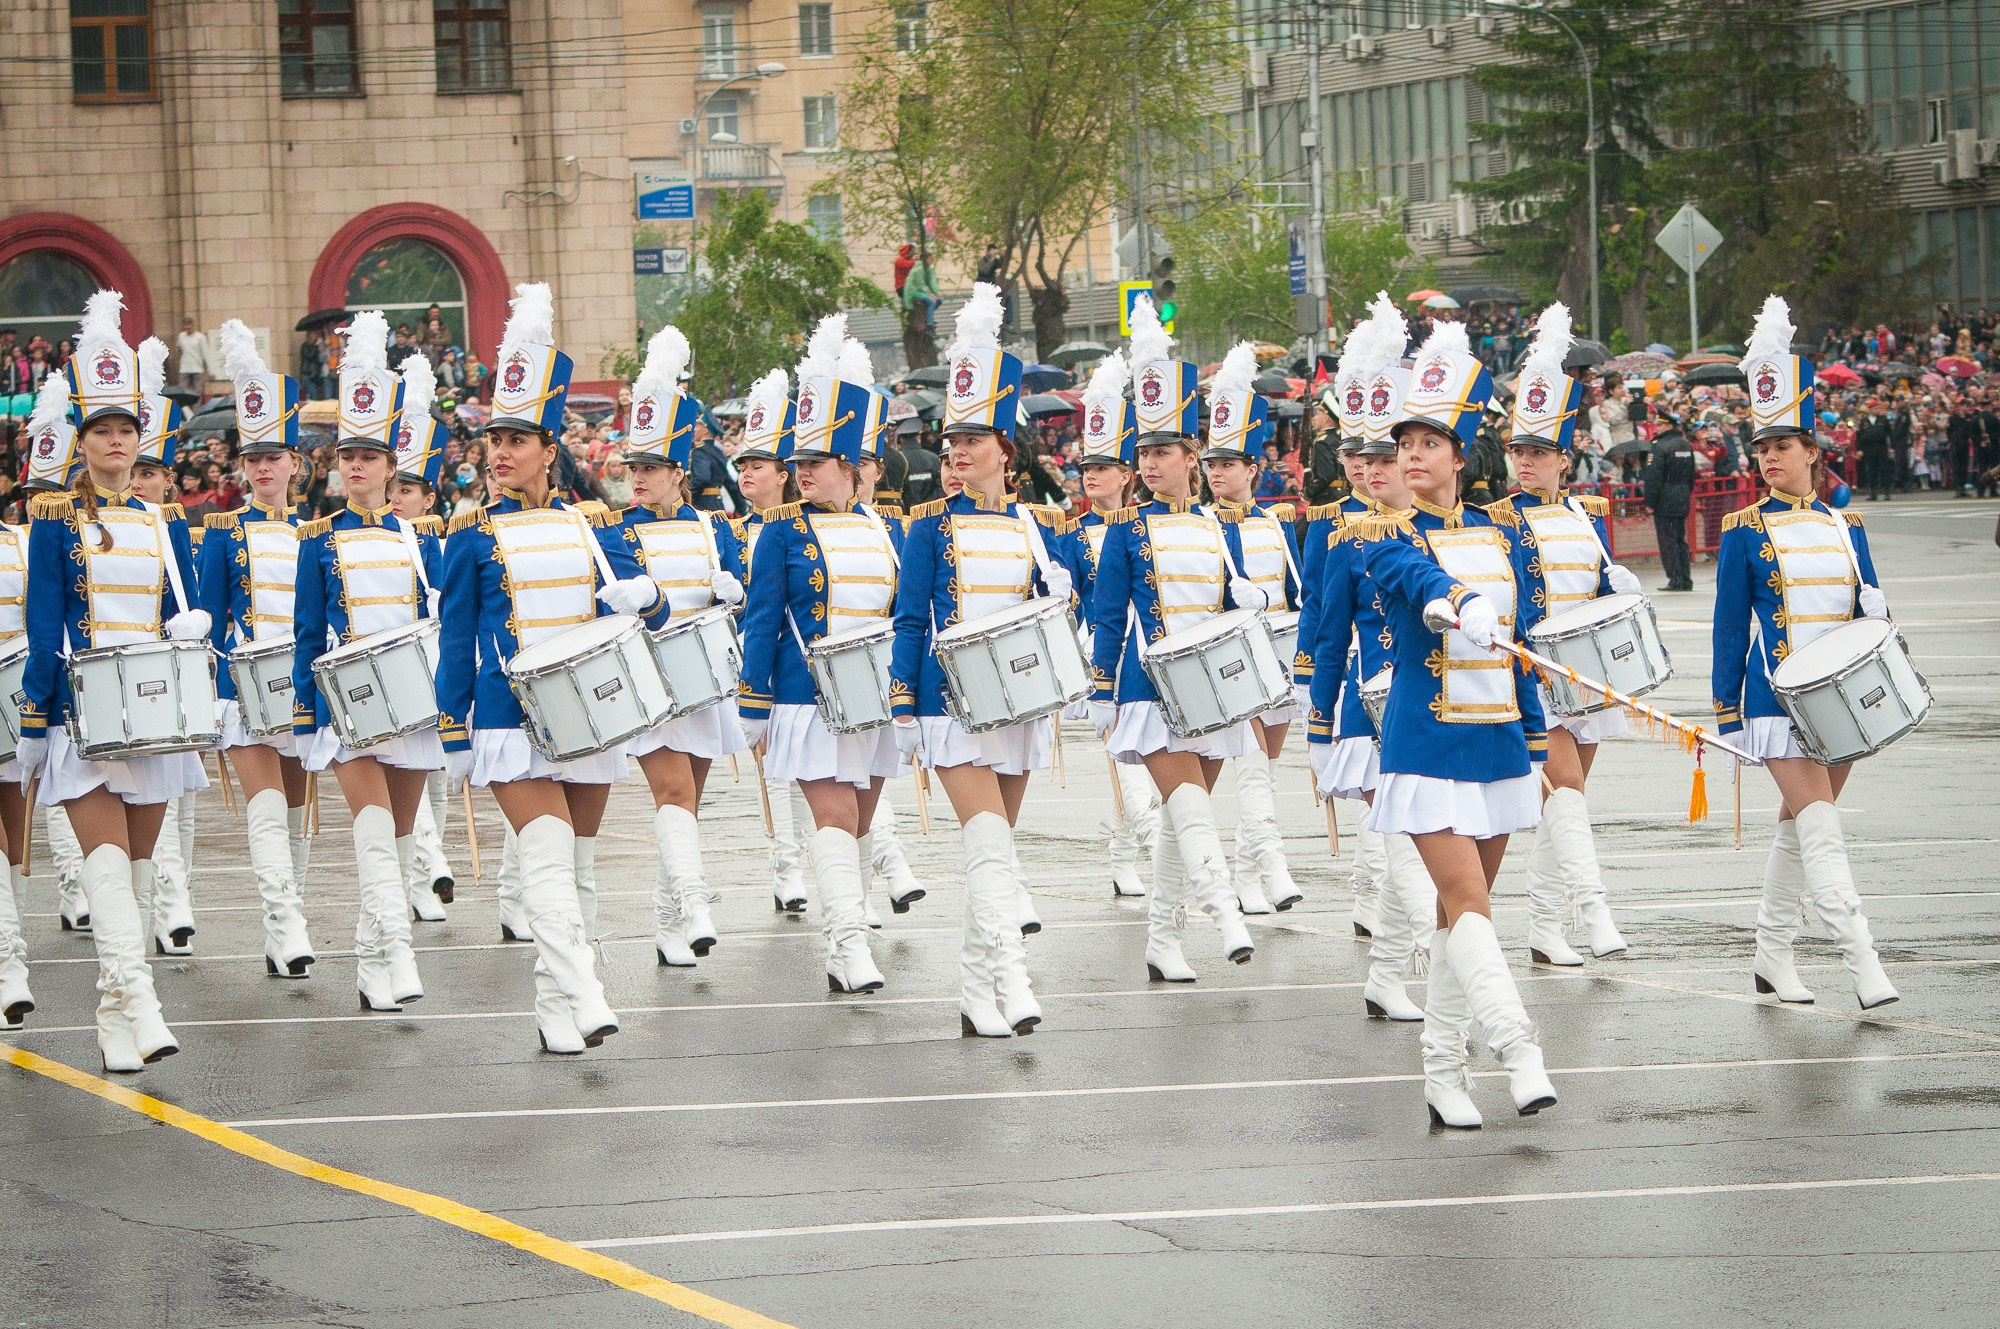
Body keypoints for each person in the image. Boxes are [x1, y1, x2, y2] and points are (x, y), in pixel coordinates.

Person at [436, 283, 669, 1051]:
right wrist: (452, 730)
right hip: (509, 717)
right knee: (542, 861)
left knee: (576, 869)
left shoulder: (596, 523)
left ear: (548, 447)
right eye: (491, 440)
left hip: (589, 716)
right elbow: (456, 637)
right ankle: (586, 990)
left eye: (516, 439)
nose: (499, 453)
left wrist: (647, 593)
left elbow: (653, 614)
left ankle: (552, 1007)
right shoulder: (469, 534)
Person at [1357, 317, 1557, 1129]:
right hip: (1428, 742)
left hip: (1499, 739)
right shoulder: (1386, 534)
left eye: (1428, 442)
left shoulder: (1512, 530)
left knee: (1453, 917)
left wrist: (1538, 738)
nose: (1409, 455)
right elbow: (1418, 580)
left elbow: (1528, 644)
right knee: (1467, 897)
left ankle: (1442, 1073)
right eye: (1403, 442)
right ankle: (1519, 1047)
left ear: (1460, 454)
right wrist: (1456, 602)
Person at [20, 291, 209, 1072]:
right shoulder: (56, 520)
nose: (115, 442)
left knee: (133, 874)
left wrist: (193, 629)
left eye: (127, 430)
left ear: (142, 440)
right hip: (86, 712)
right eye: (102, 430)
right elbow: (41, 623)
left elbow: (186, 604)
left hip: (155, 713)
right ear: (82, 440)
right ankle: (146, 1005)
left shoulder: (164, 523)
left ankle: (111, 1014)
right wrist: (38, 716)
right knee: (104, 867)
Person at [889, 284, 1067, 1035]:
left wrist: (1066, 589)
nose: (956, 449)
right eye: (950, 437)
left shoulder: (1038, 523)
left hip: (1019, 707)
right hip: (951, 707)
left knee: (990, 855)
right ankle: (1015, 984)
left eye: (972, 438)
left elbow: (1062, 610)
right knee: (991, 845)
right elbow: (909, 615)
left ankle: (973, 991)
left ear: (1006, 446)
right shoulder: (930, 524)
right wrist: (902, 703)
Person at [1714, 296, 1896, 1012]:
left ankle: (1770, 955)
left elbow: (1866, 606)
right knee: (1820, 828)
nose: (1768, 459)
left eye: (1781, 447)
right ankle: (1863, 961)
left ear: (1813, 452)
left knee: (1797, 829)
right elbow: (1731, 626)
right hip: (1776, 702)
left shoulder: (1848, 525)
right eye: (1761, 449)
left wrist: (1882, 616)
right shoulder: (1743, 529)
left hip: (1843, 704)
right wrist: (1727, 712)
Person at [1086, 296, 1262, 982]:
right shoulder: (1127, 530)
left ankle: (1162, 937)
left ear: (1193, 454)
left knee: (1179, 811)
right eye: (1142, 453)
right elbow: (1107, 615)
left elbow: (1225, 598)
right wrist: (1103, 689)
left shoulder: (1221, 525)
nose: (1150, 463)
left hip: (1212, 688)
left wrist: (1243, 592)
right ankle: (1226, 915)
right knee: (1188, 806)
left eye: (1163, 451)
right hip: (1150, 688)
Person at [737, 314, 901, 994]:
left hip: (877, 697)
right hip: (807, 696)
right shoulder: (779, 532)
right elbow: (761, 618)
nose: (801, 473)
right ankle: (851, 945)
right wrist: (753, 701)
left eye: (814, 462)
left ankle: (842, 947)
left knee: (861, 821)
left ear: (850, 466)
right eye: (797, 462)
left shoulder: (887, 528)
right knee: (833, 816)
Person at [288, 312, 445, 1012]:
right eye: (347, 456)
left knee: (404, 839)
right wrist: (303, 713)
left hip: (410, 705)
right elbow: (302, 634)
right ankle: (400, 954)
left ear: (390, 467)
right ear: (335, 466)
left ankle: (369, 958)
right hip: (347, 708)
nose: (356, 466)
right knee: (375, 830)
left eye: (370, 456)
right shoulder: (317, 541)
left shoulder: (421, 540)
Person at [1489, 304, 1647, 968]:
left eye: (1537, 452)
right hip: (1531, 678)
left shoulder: (1586, 515)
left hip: (1585, 677)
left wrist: (1618, 586)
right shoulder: (1493, 518)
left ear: (1564, 455)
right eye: (1517, 450)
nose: (1524, 462)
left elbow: (1594, 592)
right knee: (1567, 794)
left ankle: (1545, 926)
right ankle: (1596, 908)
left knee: (1564, 804)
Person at [608, 326, 750, 969]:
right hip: (651, 678)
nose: (637, 478)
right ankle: (694, 903)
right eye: (632, 468)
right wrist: (651, 603)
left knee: (687, 800)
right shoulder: (613, 530)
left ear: (677, 473)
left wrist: (730, 593)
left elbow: (733, 595)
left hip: (706, 679)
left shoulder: (710, 526)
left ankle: (668, 926)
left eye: (650, 469)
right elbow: (617, 599)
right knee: (669, 794)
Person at [1305, 292, 1429, 1010]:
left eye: (1386, 454)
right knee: (1397, 839)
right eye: (1361, 454)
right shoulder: (1337, 531)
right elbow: (1327, 630)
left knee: (1403, 839)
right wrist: (1320, 721)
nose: (1373, 468)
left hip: (1429, 698)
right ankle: (1433, 958)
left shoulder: (1436, 524)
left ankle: (1385, 977)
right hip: (1368, 699)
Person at [193, 319, 319, 977]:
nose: (264, 467)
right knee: (266, 807)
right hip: (244, 688)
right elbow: (211, 620)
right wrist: (214, 694)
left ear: (296, 462)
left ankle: (281, 933)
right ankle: (287, 923)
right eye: (253, 458)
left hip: (298, 686)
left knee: (296, 812)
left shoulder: (315, 533)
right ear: (242, 467)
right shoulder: (221, 533)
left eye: (274, 456)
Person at [1200, 343, 1303, 915]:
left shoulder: (1275, 521)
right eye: (1212, 465)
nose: (1217, 474)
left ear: (1252, 470)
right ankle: (1272, 863)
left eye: (1228, 465)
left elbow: (1296, 589)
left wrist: (1273, 603)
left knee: (1264, 764)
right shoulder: (1200, 524)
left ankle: (1246, 875)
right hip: (1229, 659)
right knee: (1252, 764)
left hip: (1277, 654)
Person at [732, 370, 812, 915]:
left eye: (757, 465)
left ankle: (803, 860)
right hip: (752, 656)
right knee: (773, 769)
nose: (746, 474)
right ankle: (786, 866)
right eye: (741, 465)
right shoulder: (730, 530)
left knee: (816, 769)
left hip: (801, 657)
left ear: (784, 474)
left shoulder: (805, 527)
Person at [387, 354, 459, 922]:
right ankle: (427, 868)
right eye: (393, 487)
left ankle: (424, 872)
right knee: (408, 772)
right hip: (389, 670)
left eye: (408, 489)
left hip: (435, 666)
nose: (398, 498)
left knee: (434, 774)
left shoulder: (442, 541)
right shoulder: (369, 535)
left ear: (429, 498)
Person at [1644, 414, 1696, 590]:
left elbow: (1653, 478)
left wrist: (1650, 502)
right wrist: (1684, 493)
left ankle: (1675, 579)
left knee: (1668, 541)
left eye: (1659, 425)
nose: (1657, 428)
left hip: (1664, 499)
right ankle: (1686, 578)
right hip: (1681, 497)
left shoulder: (1660, 447)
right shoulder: (1686, 444)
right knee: (1680, 540)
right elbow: (1691, 476)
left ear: (1667, 426)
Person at [687, 411, 743, 513]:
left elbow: (702, 478)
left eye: (697, 426)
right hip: (717, 505)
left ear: (704, 430)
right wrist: (742, 509)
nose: (694, 430)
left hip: (702, 505)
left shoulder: (700, 451)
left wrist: (686, 494)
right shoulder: (717, 451)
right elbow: (730, 484)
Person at [895, 417, 943, 507]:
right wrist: (925, 505)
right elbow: (941, 487)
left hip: (904, 513)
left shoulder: (896, 459)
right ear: (918, 437)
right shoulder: (933, 458)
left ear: (901, 439)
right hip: (930, 512)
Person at [1855, 400, 1893, 502]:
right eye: (1874, 408)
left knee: (1884, 470)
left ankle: (1886, 492)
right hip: (1869, 448)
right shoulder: (1864, 421)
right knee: (1872, 471)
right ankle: (1873, 492)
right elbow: (1859, 436)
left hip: (1881, 447)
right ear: (1870, 409)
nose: (1876, 410)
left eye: (1877, 408)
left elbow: (1889, 434)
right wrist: (1859, 449)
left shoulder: (1883, 419)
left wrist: (1891, 446)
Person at [175, 317, 208, 395]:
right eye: (186, 325)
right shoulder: (181, 336)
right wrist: (179, 349)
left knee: (197, 392)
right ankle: (184, 407)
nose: (187, 327)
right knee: (182, 391)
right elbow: (179, 349)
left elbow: (205, 353)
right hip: (184, 367)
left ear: (193, 325)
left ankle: (198, 407)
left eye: (189, 325)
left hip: (197, 367)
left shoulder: (200, 337)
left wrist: (209, 369)